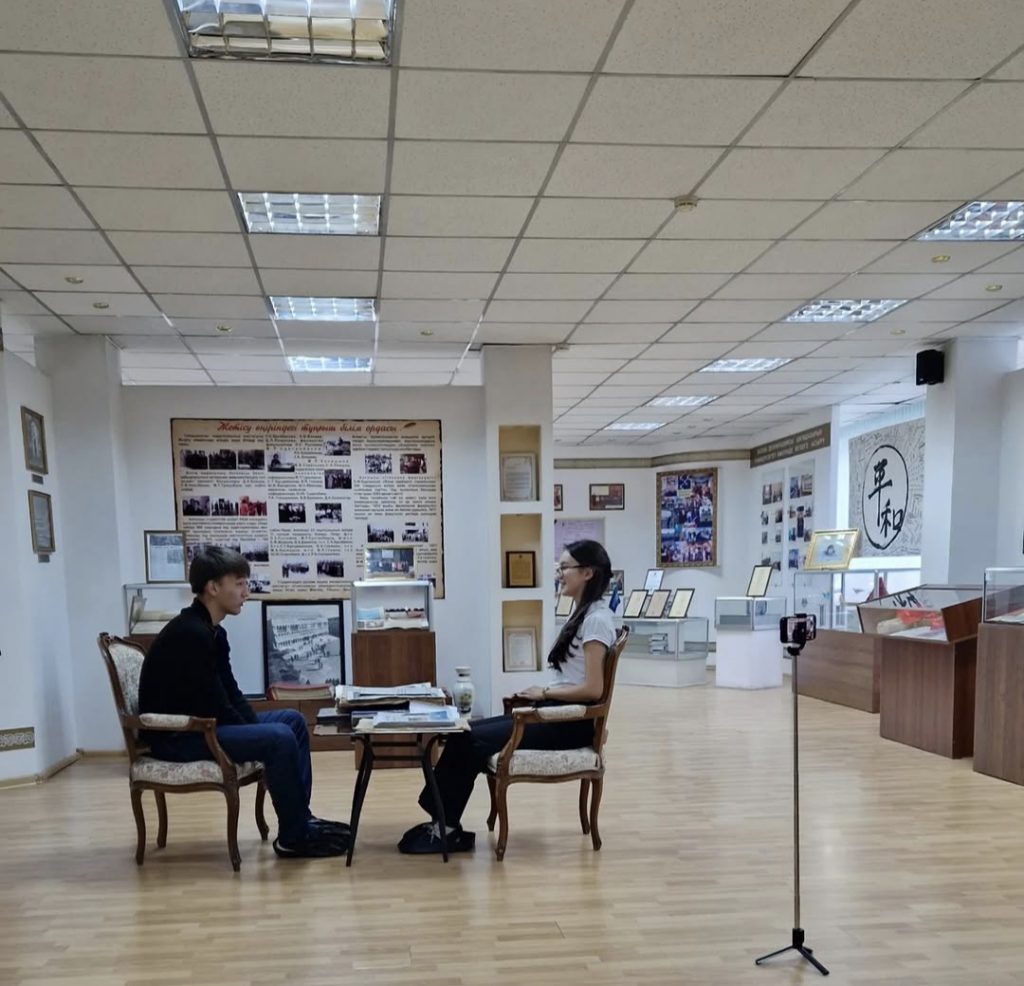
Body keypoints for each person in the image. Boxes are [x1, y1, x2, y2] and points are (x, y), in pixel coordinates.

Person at [398, 539, 617, 855]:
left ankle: (445, 827)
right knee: (463, 730)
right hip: (556, 712)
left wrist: (544, 692)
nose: (559, 574)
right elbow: (575, 679)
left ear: (587, 573)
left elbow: (594, 689)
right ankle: (443, 822)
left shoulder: (596, 620)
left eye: (565, 568)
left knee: (469, 739)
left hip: (569, 723)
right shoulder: (583, 613)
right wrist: (541, 694)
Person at [138, 546, 349, 859]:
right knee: (278, 738)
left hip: (207, 725)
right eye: (239, 584)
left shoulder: (212, 632)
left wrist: (250, 726)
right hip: (181, 736)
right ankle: (293, 837)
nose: (246, 592)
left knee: (291, 721)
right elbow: (213, 703)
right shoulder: (190, 634)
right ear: (213, 587)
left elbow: (231, 693)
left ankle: (299, 819)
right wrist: (253, 733)